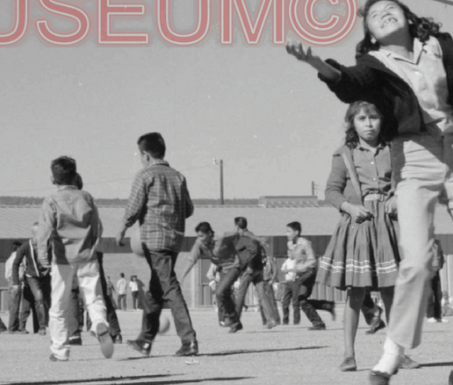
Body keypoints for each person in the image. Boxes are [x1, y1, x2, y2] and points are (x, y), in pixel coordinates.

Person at [287, 0, 453, 385]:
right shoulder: (373, 63)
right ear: (371, 34)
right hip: (412, 158)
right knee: (416, 260)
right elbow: (349, 82)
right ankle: (392, 351)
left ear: (408, 17)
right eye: (374, 15)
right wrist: (316, 63)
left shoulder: (438, 45)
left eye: (390, 9)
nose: (384, 14)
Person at [319, 100, 401, 371]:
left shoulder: (394, 150)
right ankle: (349, 355)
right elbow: (331, 191)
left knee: (391, 293)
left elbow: (408, 180)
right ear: (352, 124)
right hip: (359, 226)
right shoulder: (344, 154)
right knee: (356, 294)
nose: (369, 124)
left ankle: (396, 352)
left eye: (373, 118)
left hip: (387, 227)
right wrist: (350, 208)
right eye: (362, 119)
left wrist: (397, 197)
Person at [119, 132, 198, 358]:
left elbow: (134, 206)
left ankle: (189, 340)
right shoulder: (178, 177)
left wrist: (122, 228)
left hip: (154, 238)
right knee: (155, 290)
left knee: (170, 287)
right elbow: (189, 209)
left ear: (145, 155)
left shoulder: (145, 175)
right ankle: (145, 340)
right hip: (175, 239)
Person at [36, 156, 115, 361]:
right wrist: (93, 246)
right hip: (87, 257)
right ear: (75, 175)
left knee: (59, 306)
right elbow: (98, 227)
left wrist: (43, 257)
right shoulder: (86, 197)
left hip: (62, 260)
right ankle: (100, 324)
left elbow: (44, 231)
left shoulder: (51, 201)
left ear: (53, 179)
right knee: (94, 298)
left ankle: (60, 350)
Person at [213, 217, 274, 332]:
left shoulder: (244, 237)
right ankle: (271, 319)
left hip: (249, 270)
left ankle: (235, 322)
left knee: (240, 295)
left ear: (237, 226)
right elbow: (256, 246)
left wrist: (249, 264)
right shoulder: (248, 234)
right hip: (258, 269)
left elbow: (254, 249)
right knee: (262, 294)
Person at [283, 222, 327, 330]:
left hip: (309, 272)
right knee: (301, 299)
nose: (286, 234)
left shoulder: (305, 243)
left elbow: (312, 261)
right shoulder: (290, 244)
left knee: (300, 298)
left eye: (289, 231)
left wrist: (299, 269)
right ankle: (322, 314)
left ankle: (318, 322)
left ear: (296, 232)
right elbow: (295, 258)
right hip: (300, 274)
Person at [425, 236, 445, 322]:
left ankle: (438, 316)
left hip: (436, 270)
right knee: (429, 294)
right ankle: (430, 316)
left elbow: (441, 254)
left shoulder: (438, 242)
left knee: (438, 293)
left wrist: (440, 265)